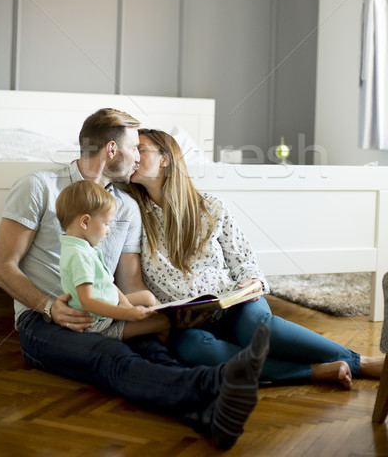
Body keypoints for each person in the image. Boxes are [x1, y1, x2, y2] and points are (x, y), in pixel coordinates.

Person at [0, 107, 270, 451]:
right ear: (112, 150)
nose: (138, 157)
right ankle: (213, 384)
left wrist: (161, 310)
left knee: (156, 353)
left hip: (109, 311)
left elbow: (131, 282)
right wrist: (49, 307)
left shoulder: (125, 207)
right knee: (112, 357)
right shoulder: (38, 187)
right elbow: (3, 267)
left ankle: (210, 418)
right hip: (45, 322)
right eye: (133, 149)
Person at [128, 128, 384, 389]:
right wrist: (170, 316)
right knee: (193, 351)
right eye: (131, 149)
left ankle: (360, 361)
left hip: (234, 304)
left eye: (141, 149)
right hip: (186, 323)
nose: (133, 156)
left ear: (166, 158)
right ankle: (315, 371)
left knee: (258, 327)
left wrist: (251, 285)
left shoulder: (211, 207)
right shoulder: (132, 216)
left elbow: (246, 263)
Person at [57, 179, 170, 341]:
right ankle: (159, 348)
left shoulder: (83, 248)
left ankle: (145, 332)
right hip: (97, 323)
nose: (108, 231)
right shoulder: (79, 256)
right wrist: (127, 313)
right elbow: (88, 302)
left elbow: (107, 284)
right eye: (106, 224)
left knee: (147, 297)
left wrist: (127, 307)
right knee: (163, 322)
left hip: (107, 305)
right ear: (85, 222)